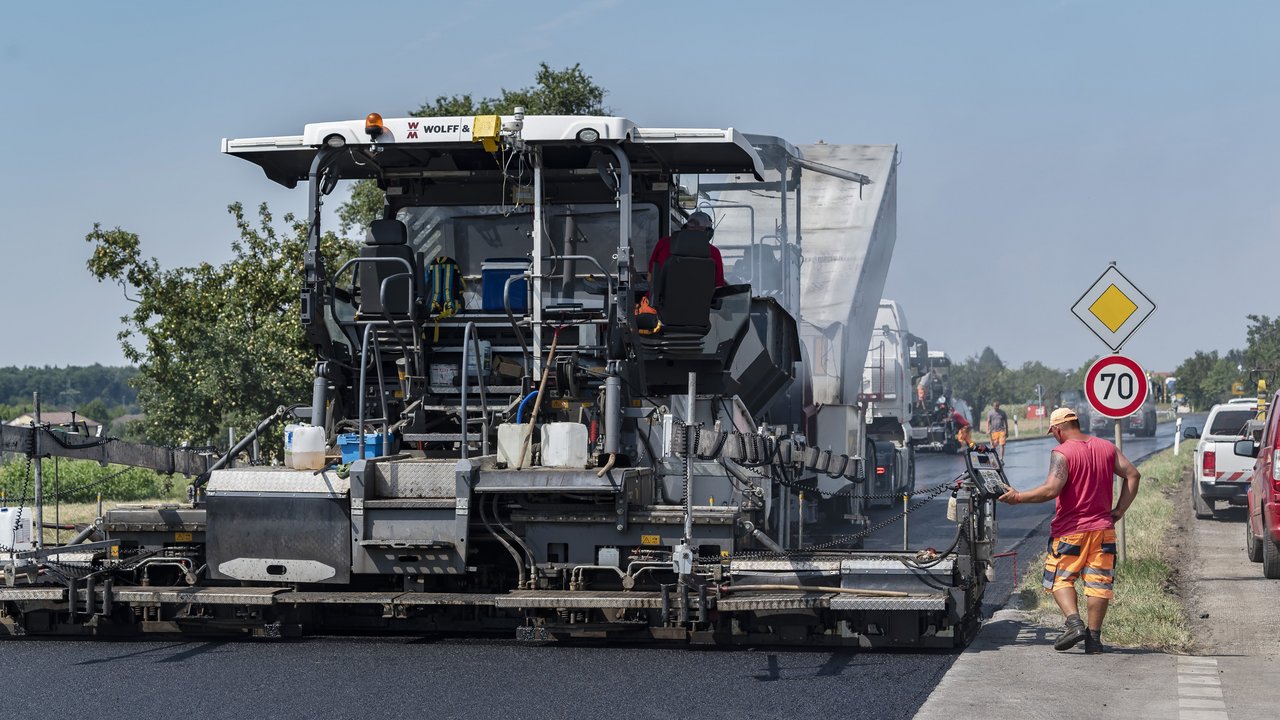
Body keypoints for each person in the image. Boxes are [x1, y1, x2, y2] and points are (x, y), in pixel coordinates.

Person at [997, 407, 1141, 654]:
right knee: (1098, 584)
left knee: (1060, 578)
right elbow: (1133, 475)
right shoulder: (1106, 447)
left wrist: (1018, 497)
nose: (1054, 436)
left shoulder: (1062, 452)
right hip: (1103, 530)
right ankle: (1093, 640)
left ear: (1059, 428)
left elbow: (1051, 489)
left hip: (1070, 530)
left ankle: (1074, 623)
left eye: (1053, 431)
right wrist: (1118, 511)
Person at [647, 211, 726, 288]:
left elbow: (650, 277)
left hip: (658, 300)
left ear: (684, 228)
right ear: (708, 233)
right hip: (701, 301)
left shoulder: (663, 243)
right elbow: (718, 286)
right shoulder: (714, 252)